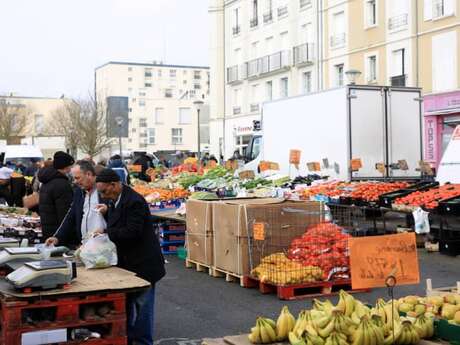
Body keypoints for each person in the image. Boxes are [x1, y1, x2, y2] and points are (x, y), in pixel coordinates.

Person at [94, 168, 165, 345]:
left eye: (104, 191)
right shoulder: (115, 199)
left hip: (144, 264)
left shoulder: (135, 202)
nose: (103, 195)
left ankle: (142, 342)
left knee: (142, 306)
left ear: (115, 184)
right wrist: (107, 215)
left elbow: (131, 232)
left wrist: (107, 232)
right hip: (129, 264)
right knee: (130, 303)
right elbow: (119, 221)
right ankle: (131, 338)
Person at [45, 160, 101, 247]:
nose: (75, 181)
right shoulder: (79, 192)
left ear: (88, 174)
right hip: (85, 246)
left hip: (103, 244)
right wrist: (57, 237)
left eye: (77, 178)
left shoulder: (104, 191)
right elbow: (70, 216)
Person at [38, 151, 74, 239]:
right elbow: (65, 213)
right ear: (66, 166)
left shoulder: (46, 180)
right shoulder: (62, 184)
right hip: (58, 233)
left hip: (47, 229)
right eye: (70, 166)